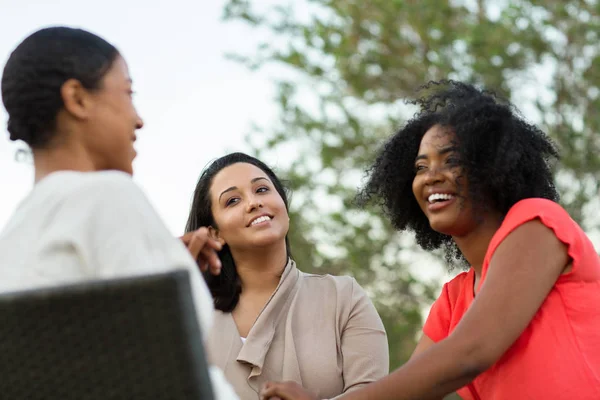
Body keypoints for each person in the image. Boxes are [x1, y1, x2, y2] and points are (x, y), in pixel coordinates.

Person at [259, 81, 600, 400]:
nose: (431, 177)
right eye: (421, 167)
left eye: (451, 160)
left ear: (493, 166)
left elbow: (469, 353)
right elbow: (409, 388)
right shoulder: (454, 301)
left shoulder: (539, 223)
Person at [0, 26, 238, 400]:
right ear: (77, 99)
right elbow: (166, 361)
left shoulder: (14, 238)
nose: (138, 119)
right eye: (128, 93)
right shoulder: (107, 195)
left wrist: (168, 257)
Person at [185, 152, 389, 400]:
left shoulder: (342, 297)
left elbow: (376, 393)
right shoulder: (191, 315)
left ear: (283, 206)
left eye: (261, 189)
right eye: (233, 200)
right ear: (215, 234)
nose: (253, 203)